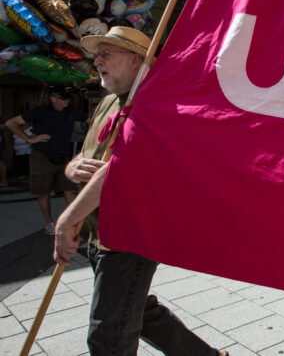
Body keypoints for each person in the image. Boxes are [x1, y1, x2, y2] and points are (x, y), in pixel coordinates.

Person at [52, 26, 225, 356]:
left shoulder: (156, 104)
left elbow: (120, 172)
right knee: (137, 310)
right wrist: (71, 168)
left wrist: (65, 220)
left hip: (129, 234)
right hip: (96, 230)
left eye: (107, 54)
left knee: (108, 336)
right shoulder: (105, 102)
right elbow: (87, 154)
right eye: (97, 54)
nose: (97, 61)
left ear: (136, 61)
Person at [5, 88, 88, 235]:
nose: (66, 101)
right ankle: (49, 223)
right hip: (42, 155)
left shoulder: (71, 110)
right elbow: (11, 123)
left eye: (68, 98)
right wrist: (29, 138)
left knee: (68, 189)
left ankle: (75, 221)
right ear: (53, 98)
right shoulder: (41, 111)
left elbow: (89, 119)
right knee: (43, 192)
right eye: (63, 98)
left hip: (63, 155)